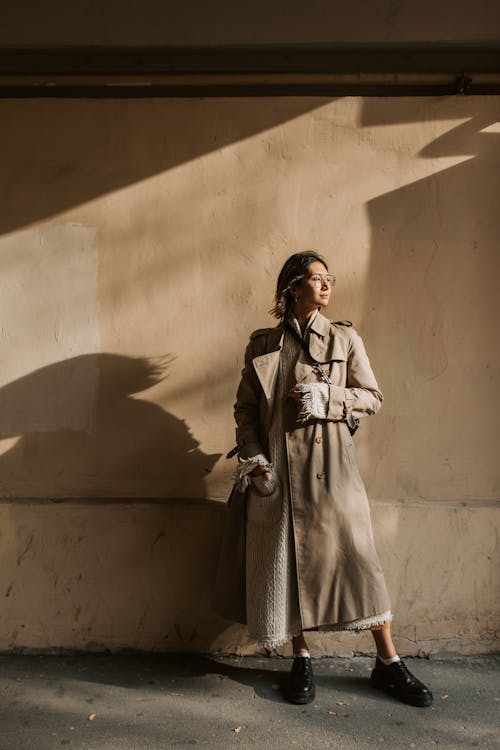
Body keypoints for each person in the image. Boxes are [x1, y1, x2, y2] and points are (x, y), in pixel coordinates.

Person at [231, 250, 432, 707]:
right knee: (292, 566)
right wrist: (255, 457)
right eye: (316, 278)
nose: (326, 285)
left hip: (333, 474)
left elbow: (372, 397)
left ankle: (388, 663)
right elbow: (245, 409)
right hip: (279, 474)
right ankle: (301, 658)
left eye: (329, 279)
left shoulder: (344, 339)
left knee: (360, 565)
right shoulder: (263, 344)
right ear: (292, 288)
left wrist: (328, 397)